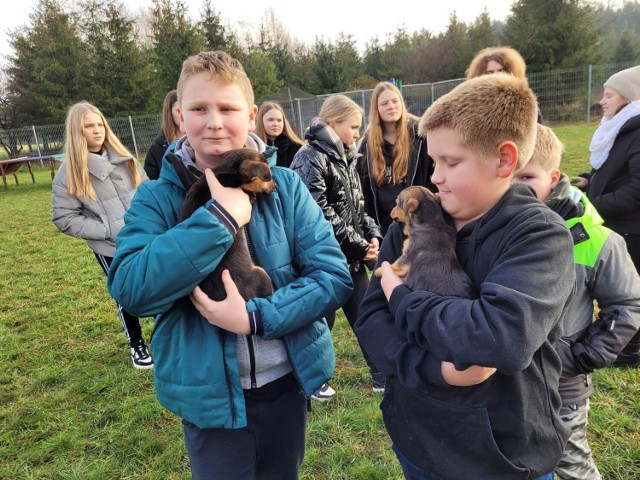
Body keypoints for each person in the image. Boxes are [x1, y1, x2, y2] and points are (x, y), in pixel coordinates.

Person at [107, 51, 352, 480]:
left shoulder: (287, 187)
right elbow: (130, 287)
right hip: (210, 401)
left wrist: (255, 317)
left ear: (252, 115)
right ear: (180, 116)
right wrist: (217, 220)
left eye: (228, 108)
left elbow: (332, 276)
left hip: (284, 387)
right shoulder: (155, 199)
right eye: (200, 109)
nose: (214, 121)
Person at [355, 73, 575, 479]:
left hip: (500, 457)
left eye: (450, 163)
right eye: (433, 161)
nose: (434, 177)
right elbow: (370, 321)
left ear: (505, 160)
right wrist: (436, 369)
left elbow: (500, 339)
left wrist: (400, 298)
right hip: (417, 438)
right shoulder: (409, 224)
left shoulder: (540, 236)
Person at [514, 124, 640, 480]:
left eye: (527, 175)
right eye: (508, 174)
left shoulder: (599, 241)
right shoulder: (487, 227)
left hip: (562, 386)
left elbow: (630, 307)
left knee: (570, 464)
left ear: (554, 177)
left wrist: (580, 355)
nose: (515, 187)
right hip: (504, 381)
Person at [290, 94, 384, 400]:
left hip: (352, 257)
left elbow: (356, 206)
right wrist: (359, 246)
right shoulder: (308, 158)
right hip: (323, 262)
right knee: (319, 325)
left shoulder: (345, 156)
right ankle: (307, 380)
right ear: (333, 124)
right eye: (353, 126)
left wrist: (371, 233)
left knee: (366, 316)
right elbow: (319, 214)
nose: (358, 133)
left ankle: (382, 375)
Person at [52, 101, 152, 369]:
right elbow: (64, 216)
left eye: (100, 124)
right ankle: (137, 345)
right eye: (89, 126)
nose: (97, 131)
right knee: (126, 294)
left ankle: (169, 336)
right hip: (111, 247)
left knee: (159, 284)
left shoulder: (125, 158)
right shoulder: (69, 172)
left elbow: (148, 191)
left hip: (145, 238)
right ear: (77, 131)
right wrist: (106, 230)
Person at [573, 65, 640, 367]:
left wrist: (592, 204)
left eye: (609, 95)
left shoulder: (637, 132)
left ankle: (630, 351)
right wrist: (589, 179)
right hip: (618, 225)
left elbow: (635, 191)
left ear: (628, 97)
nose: (602, 100)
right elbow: (616, 171)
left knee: (629, 290)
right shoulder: (620, 128)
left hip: (632, 229)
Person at [356, 81, 436, 235]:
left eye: (395, 101)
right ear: (376, 109)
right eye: (384, 103)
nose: (391, 106)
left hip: (418, 223)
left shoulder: (420, 134)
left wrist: (421, 207)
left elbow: (433, 175)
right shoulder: (367, 143)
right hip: (382, 226)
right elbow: (362, 187)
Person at [466, 45, 544, 124]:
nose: (496, 75)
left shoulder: (525, 103)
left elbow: (540, 131)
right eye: (490, 72)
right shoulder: (474, 106)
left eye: (501, 71)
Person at [144, 89, 182, 180]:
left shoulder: (198, 140)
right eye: (180, 109)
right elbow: (152, 182)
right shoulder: (156, 149)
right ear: (169, 112)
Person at [255, 101, 304, 168]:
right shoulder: (252, 148)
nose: (276, 124)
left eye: (279, 120)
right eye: (270, 120)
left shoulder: (298, 148)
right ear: (261, 121)